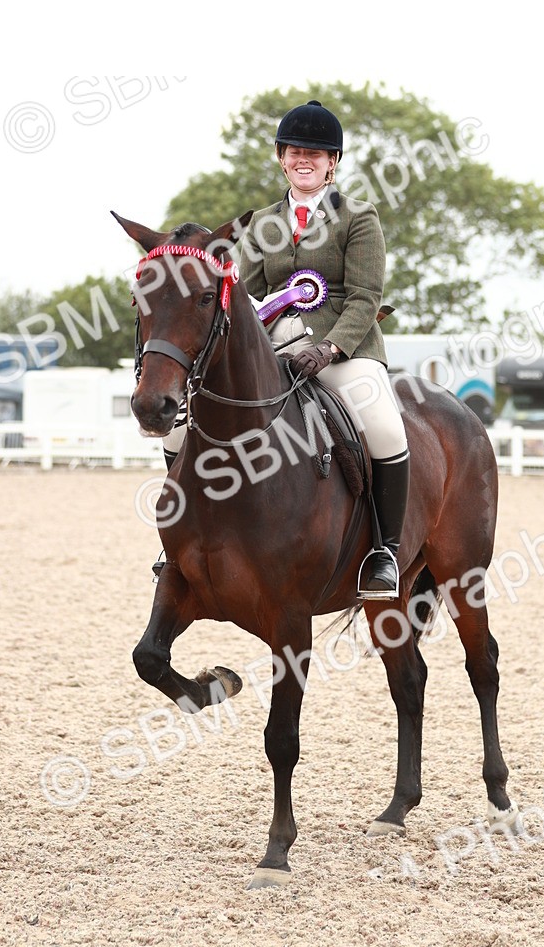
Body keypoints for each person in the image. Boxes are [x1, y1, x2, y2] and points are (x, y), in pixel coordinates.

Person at [161, 99, 409, 598]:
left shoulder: (359, 217)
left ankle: (384, 552)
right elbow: (246, 294)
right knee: (178, 430)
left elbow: (365, 297)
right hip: (272, 346)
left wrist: (330, 349)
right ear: (281, 157)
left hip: (343, 347)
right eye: (295, 151)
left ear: (332, 162)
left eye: (315, 153)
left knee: (384, 425)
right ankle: (186, 536)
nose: (304, 160)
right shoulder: (261, 223)